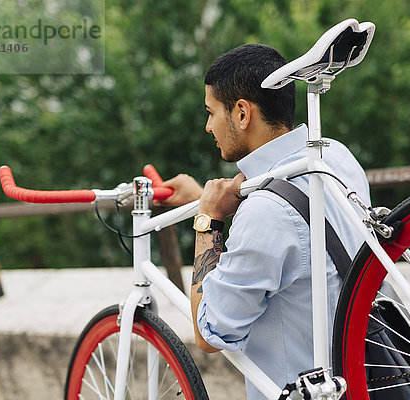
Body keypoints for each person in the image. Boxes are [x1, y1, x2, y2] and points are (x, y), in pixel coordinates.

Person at [156, 43, 370, 399]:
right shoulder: (335, 155)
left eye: (211, 113)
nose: (208, 126)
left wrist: (207, 219)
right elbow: (297, 232)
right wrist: (202, 197)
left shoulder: (265, 212)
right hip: (364, 378)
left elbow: (209, 332)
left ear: (242, 113)